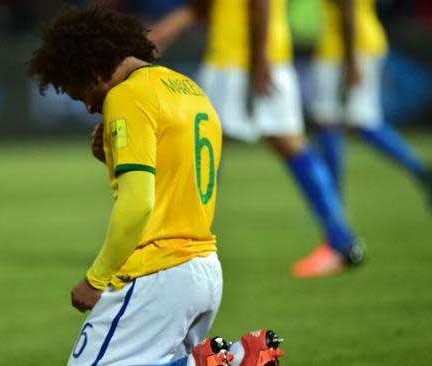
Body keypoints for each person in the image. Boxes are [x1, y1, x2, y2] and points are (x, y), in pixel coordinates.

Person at [28, 6, 284, 366]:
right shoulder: (189, 90)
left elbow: (138, 204)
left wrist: (96, 279)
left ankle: (226, 361)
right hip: (204, 268)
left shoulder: (127, 96)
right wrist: (113, 155)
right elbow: (177, 176)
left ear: (91, 70)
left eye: (79, 91)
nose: (88, 106)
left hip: (156, 274)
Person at [149, 0, 364, 278]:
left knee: (210, 147)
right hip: (244, 59)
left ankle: (180, 244)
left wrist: (260, 59)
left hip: (244, 61)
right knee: (275, 144)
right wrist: (171, 27)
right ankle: (342, 240)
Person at [309, 0, 432, 206]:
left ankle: (333, 200)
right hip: (361, 42)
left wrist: (351, 62)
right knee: (357, 122)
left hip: (344, 48)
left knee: (329, 122)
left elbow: (348, 9)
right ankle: (422, 172)